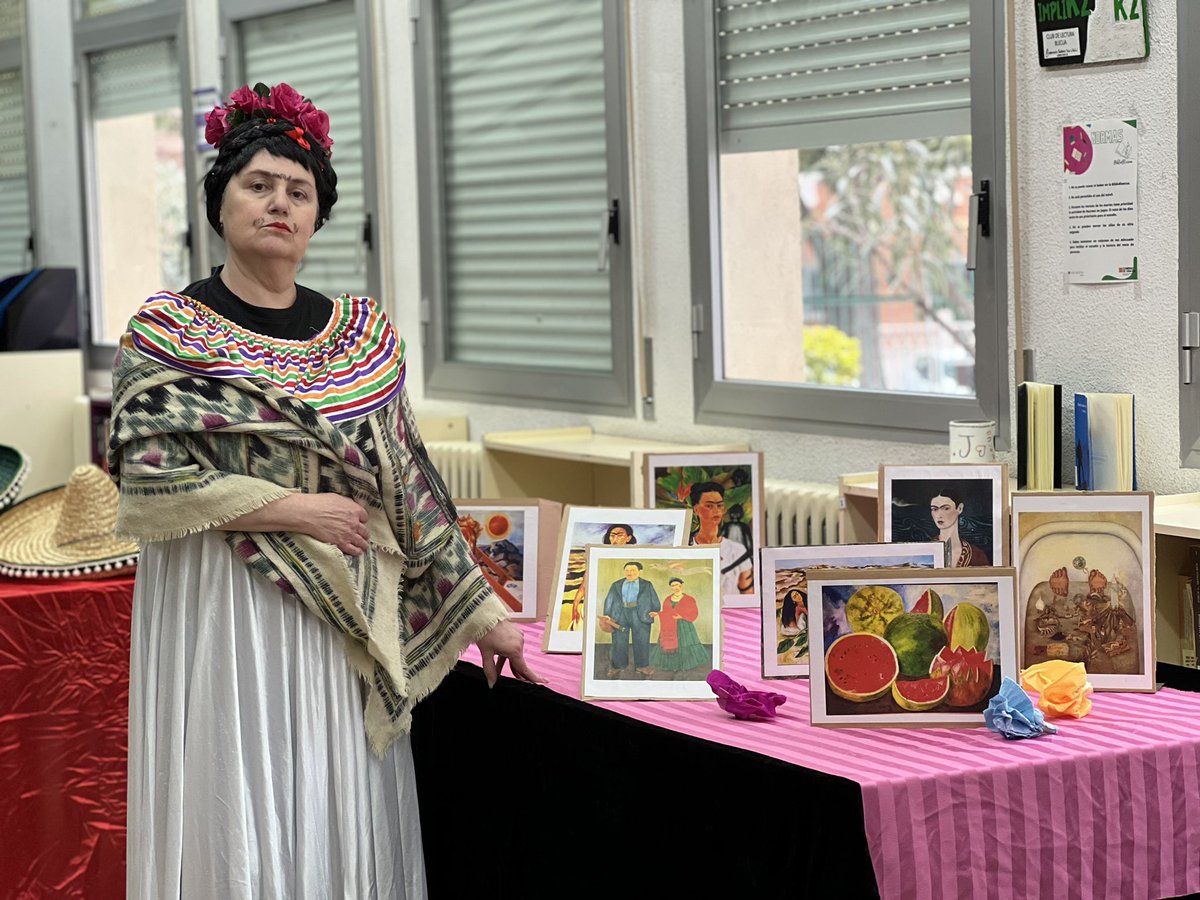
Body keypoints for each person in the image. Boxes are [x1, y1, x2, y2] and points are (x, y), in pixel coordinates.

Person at [110, 83, 542, 900]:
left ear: (317, 217)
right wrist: (294, 509)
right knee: (241, 785)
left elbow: (409, 479)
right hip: (230, 602)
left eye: (298, 191)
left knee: (329, 783)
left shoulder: (361, 335)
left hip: (347, 608)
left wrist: (482, 614)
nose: (279, 203)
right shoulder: (167, 331)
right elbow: (148, 474)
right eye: (258, 185)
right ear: (221, 202)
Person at [567, 523, 636, 629]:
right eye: (612, 535)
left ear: (628, 538)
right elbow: (583, 587)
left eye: (620, 535)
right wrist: (575, 607)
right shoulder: (598, 556)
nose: (615, 539)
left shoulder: (633, 559)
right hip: (594, 606)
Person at [689, 481, 753, 595]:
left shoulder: (737, 550)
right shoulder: (685, 548)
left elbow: (748, 595)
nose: (716, 510)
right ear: (696, 509)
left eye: (719, 505)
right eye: (709, 506)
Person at [601, 561, 660, 677]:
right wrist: (607, 614)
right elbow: (609, 599)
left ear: (639, 571)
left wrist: (655, 610)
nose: (630, 573)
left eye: (633, 570)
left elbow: (654, 598)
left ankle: (642, 666)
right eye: (627, 570)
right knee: (619, 640)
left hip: (640, 614)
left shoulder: (647, 585)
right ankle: (618, 666)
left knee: (642, 640)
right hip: (620, 614)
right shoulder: (616, 585)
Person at [649, 576, 709, 672]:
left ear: (681, 585)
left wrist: (681, 616)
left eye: (677, 585)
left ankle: (685, 664)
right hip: (669, 625)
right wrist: (657, 614)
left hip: (684, 626)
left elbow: (694, 612)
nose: (675, 587)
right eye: (673, 585)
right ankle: (671, 665)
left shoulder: (689, 599)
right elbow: (666, 612)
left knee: (685, 644)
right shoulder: (668, 599)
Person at [929, 486, 991, 567]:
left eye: (946, 508)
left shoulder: (977, 555)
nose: (939, 515)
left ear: (960, 508)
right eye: (935, 509)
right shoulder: (925, 551)